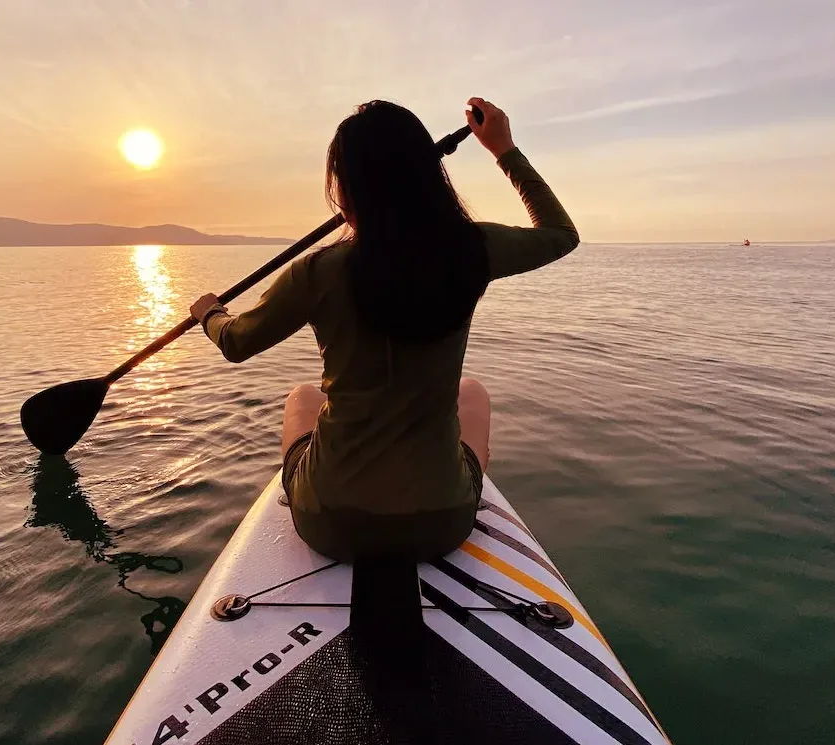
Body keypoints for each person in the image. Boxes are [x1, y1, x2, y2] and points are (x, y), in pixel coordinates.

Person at [188, 97, 578, 562]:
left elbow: (236, 342)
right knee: (472, 393)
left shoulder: (316, 272)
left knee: (302, 397)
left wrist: (209, 313)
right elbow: (560, 233)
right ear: (428, 177)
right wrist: (504, 151)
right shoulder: (475, 249)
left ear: (347, 188)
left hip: (329, 521)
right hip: (441, 523)